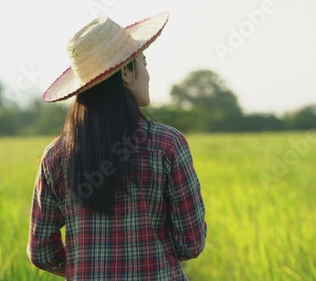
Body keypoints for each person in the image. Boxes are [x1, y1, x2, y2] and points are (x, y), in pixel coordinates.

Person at [27, 12, 207, 280]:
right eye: (143, 63)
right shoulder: (168, 145)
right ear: (126, 72)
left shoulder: (55, 156)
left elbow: (41, 251)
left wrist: (86, 267)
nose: (147, 75)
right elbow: (191, 242)